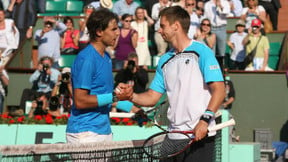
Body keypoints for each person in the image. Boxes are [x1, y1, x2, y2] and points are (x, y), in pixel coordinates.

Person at [115, 6, 225, 161]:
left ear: (176, 26)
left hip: (199, 137)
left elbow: (219, 90)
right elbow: (152, 97)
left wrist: (204, 120)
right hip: (172, 137)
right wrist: (131, 96)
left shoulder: (202, 51)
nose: (159, 30)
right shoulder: (164, 60)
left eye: (162, 26)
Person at [66, 8, 143, 144]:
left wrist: (135, 110)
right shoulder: (87, 59)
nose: (118, 32)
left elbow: (106, 97)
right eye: (113, 29)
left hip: (103, 132)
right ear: (99, 32)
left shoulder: (106, 57)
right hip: (85, 134)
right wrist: (115, 96)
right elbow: (80, 101)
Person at [204, 0, 231, 68]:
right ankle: (212, 68)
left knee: (221, 52)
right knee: (211, 51)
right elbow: (206, 16)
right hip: (212, 28)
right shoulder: (208, 4)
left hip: (221, 27)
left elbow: (227, 13)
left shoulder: (225, 2)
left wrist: (220, 6)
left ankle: (221, 69)